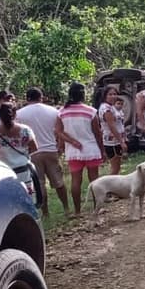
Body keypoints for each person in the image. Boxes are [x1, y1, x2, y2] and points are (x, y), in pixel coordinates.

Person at [17, 87, 69, 218]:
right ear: (41, 97)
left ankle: (45, 213)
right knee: (59, 182)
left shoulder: (19, 114)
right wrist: (60, 146)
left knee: (39, 184)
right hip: (51, 150)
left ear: (27, 98)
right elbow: (60, 130)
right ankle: (66, 208)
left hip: (32, 152)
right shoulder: (53, 111)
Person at [56, 82, 105, 216]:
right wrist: (102, 150)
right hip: (91, 149)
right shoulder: (90, 111)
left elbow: (58, 131)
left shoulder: (62, 112)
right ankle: (97, 208)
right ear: (83, 95)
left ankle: (77, 211)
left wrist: (71, 141)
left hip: (73, 151)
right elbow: (98, 133)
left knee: (75, 181)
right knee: (94, 180)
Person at [0, 103, 37, 189]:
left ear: (0, 115)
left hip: (2, 172)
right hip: (22, 171)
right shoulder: (25, 130)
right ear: (15, 114)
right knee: (25, 197)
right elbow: (34, 148)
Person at [98, 84, 128, 176]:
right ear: (105, 96)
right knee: (115, 168)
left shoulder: (112, 107)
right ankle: (108, 186)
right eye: (110, 94)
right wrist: (121, 142)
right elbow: (112, 126)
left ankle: (114, 186)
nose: (113, 96)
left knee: (117, 167)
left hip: (117, 140)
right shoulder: (106, 109)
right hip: (112, 141)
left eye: (115, 94)